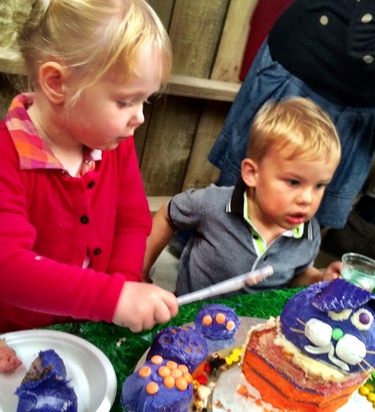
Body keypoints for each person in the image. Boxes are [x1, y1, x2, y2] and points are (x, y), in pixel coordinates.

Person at [0, 0, 178, 344]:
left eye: (145, 101)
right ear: (57, 83)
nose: (139, 117)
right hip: (2, 329)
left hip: (83, 325)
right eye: (125, 102)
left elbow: (132, 221)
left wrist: (124, 282)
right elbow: (2, 265)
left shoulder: (115, 145)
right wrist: (112, 297)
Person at [208, 0, 375, 232]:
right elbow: (372, 37)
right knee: (239, 217)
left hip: (364, 103)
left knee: (304, 231)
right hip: (304, 74)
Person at [143, 98, 343, 296]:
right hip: (191, 313)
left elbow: (295, 275)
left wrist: (319, 279)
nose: (307, 199)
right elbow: (169, 214)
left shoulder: (310, 232)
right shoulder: (213, 204)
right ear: (252, 173)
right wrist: (140, 270)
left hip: (254, 318)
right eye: (293, 182)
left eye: (319, 185)